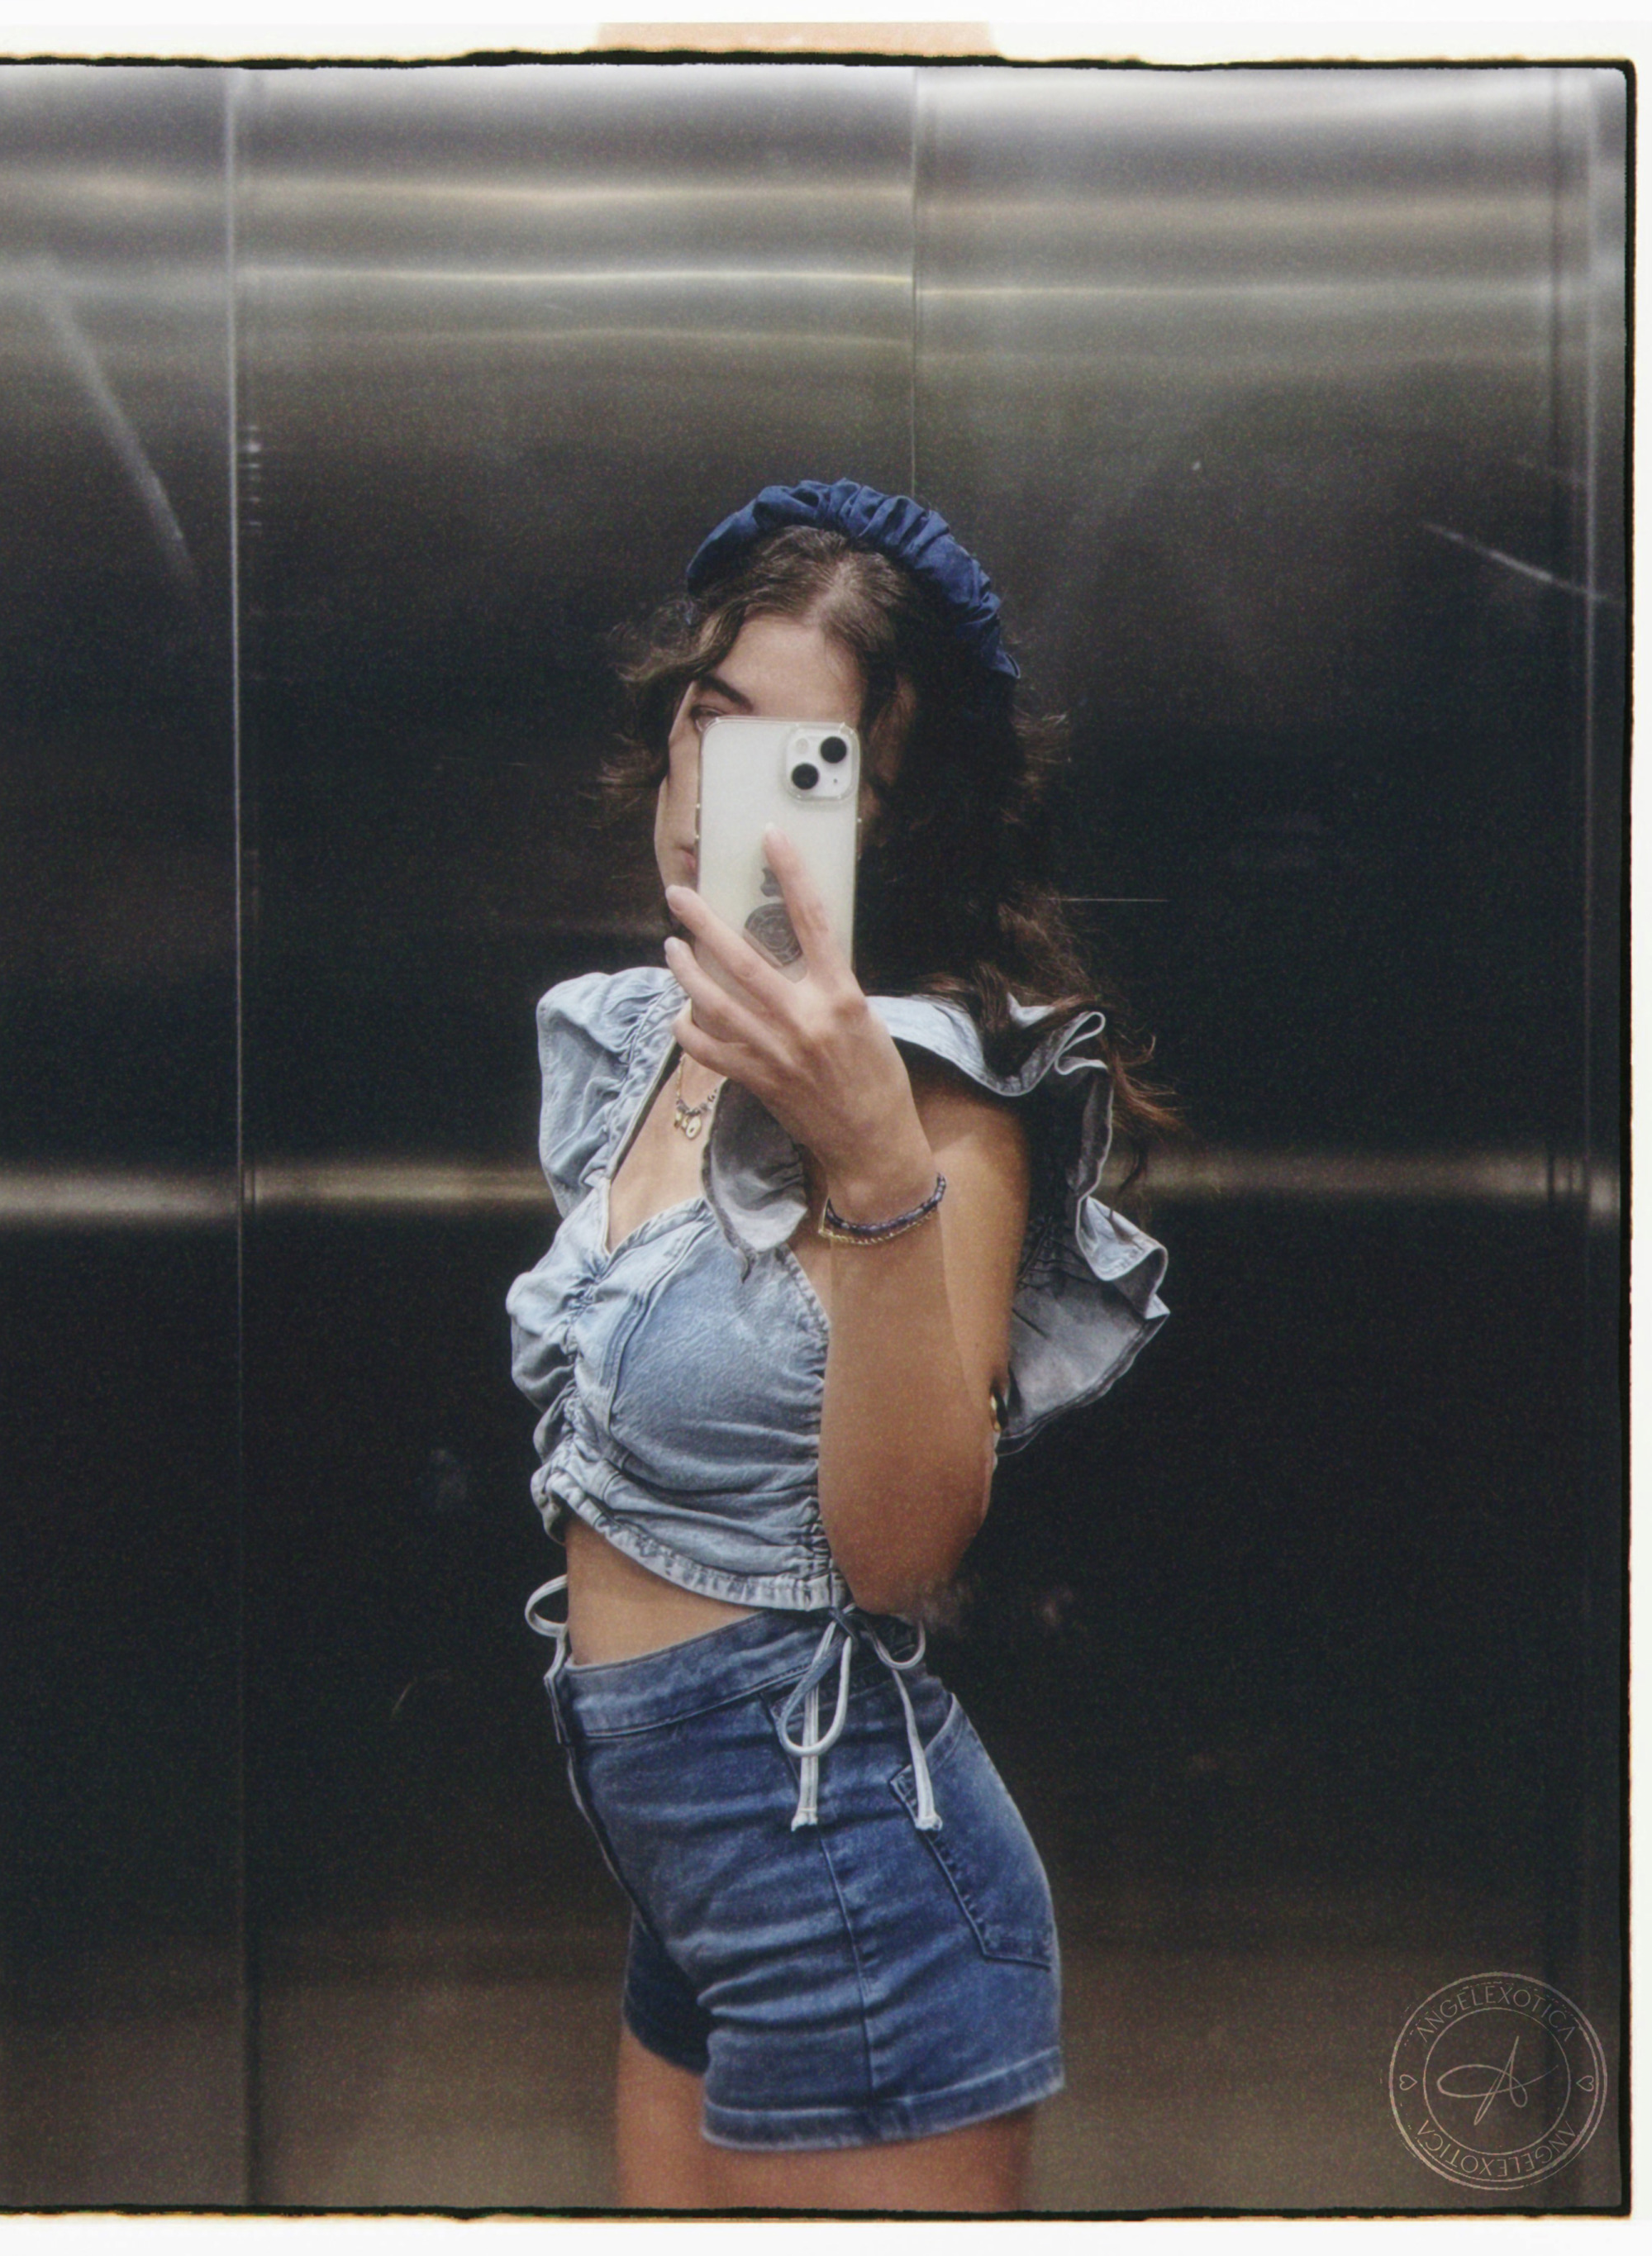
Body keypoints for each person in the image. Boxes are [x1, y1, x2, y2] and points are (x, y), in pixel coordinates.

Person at [507, 480, 1169, 2212]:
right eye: (709, 720)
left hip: (856, 1903)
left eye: (802, 765)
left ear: (890, 812)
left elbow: (901, 1553)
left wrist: (872, 1164)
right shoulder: (636, 1043)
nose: (721, 790)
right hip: (688, 1896)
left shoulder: (938, 1099)